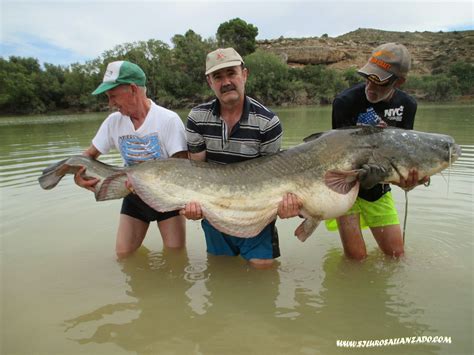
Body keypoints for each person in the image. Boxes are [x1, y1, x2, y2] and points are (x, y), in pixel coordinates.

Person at [181, 48, 300, 268]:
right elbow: (196, 171)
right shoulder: (197, 118)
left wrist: (286, 206)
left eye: (231, 73)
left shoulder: (267, 122)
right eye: (218, 76)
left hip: (256, 214)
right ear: (210, 82)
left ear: (244, 74)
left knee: (263, 271)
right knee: (220, 272)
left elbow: (273, 177)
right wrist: (193, 206)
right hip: (214, 209)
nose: (226, 82)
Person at [74, 60, 188, 258]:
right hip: (133, 198)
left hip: (168, 201)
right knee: (123, 256)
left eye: (113, 96)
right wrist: (78, 176)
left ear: (133, 89)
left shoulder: (168, 120)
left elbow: (184, 170)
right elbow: (88, 156)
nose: (110, 104)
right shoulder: (113, 122)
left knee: (176, 258)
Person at [328, 43, 428, 260]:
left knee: (397, 255)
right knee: (357, 258)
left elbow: (401, 155)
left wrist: (409, 180)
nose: (370, 87)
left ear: (399, 81)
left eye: (380, 82)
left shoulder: (407, 105)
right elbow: (338, 155)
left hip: (379, 190)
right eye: (368, 78)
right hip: (347, 189)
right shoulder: (345, 102)